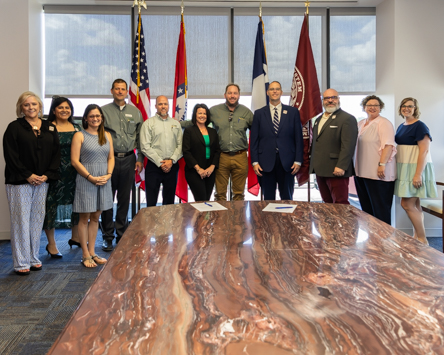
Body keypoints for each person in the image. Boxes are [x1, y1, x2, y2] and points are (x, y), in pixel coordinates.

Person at [3, 91, 60, 275]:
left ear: (40, 107)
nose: (31, 108)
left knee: (36, 221)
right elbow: (11, 156)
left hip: (42, 181)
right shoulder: (14, 127)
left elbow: (56, 154)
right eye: (26, 105)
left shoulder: (49, 127)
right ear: (21, 108)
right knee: (21, 222)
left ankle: (33, 258)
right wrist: (28, 175)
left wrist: (46, 175)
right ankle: (21, 262)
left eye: (34, 104)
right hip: (20, 182)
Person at [181, 84, 253, 201]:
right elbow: (199, 119)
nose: (232, 95)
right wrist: (178, 123)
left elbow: (257, 130)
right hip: (221, 158)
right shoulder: (214, 111)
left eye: (235, 93)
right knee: (220, 194)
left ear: (239, 95)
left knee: (239, 194)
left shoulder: (247, 113)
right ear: (225, 95)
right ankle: (221, 219)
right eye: (229, 93)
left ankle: (237, 219)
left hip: (240, 157)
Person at [100, 79, 144, 252]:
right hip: (108, 160)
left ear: (127, 92)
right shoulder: (103, 111)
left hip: (128, 160)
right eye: (117, 89)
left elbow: (140, 137)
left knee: (124, 199)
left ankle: (121, 234)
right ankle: (107, 237)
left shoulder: (135, 112)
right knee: (107, 199)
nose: (120, 91)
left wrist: (140, 158)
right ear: (111, 90)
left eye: (122, 89)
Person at [71, 104, 114, 267]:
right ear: (86, 118)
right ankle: (84, 254)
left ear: (101, 118)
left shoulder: (107, 135)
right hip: (86, 179)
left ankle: (93, 252)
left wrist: (109, 175)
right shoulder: (79, 136)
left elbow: (111, 158)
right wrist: (90, 177)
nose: (95, 119)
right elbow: (75, 161)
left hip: (104, 179)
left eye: (98, 116)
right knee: (84, 218)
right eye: (92, 116)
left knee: (96, 217)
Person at [250, 81, 303, 200]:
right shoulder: (259, 114)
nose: (275, 91)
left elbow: (298, 139)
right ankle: (269, 219)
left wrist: (298, 160)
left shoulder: (293, 112)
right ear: (267, 92)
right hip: (265, 163)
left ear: (281, 92)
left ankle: (286, 219)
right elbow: (254, 140)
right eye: (272, 89)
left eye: (277, 89)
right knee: (268, 199)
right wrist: (255, 162)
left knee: (287, 198)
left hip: (288, 163)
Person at [394, 97, 437, 245]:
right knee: (415, 204)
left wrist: (418, 174)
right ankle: (416, 237)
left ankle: (423, 239)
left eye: (410, 106)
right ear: (401, 108)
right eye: (404, 106)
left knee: (407, 204)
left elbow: (424, 151)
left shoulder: (420, 126)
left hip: (415, 168)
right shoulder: (402, 125)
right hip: (404, 167)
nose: (407, 108)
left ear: (415, 109)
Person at [43, 97, 81, 258]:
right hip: (54, 172)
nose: (64, 110)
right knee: (51, 205)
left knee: (77, 204)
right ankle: (51, 244)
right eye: (60, 108)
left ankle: (76, 237)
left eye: (67, 107)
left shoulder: (77, 127)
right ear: (53, 110)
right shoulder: (47, 128)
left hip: (75, 171)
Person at [309, 88, 358, 204]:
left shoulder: (347, 119)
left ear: (338, 99)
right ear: (323, 100)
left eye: (333, 97)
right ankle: (330, 223)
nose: (330, 100)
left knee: (340, 203)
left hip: (336, 169)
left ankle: (344, 223)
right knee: (327, 202)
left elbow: (348, 145)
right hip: (321, 169)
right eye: (327, 98)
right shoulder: (319, 119)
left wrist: (341, 166)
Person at [354, 95, 397, 225]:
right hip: (361, 173)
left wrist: (382, 164)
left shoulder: (384, 123)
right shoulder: (360, 123)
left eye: (376, 105)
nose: (372, 107)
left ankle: (384, 243)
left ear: (380, 107)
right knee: (367, 211)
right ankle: (372, 241)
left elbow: (389, 145)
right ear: (364, 107)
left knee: (381, 211)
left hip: (379, 174)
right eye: (369, 105)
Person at [140, 96, 182, 206]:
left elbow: (181, 145)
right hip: (154, 166)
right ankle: (151, 224)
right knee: (151, 201)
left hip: (172, 166)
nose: (163, 106)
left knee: (169, 202)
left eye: (165, 104)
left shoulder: (176, 124)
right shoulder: (148, 123)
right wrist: (160, 162)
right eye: (160, 104)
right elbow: (144, 146)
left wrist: (171, 161)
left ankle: (168, 224)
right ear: (155, 106)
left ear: (168, 106)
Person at [182, 104, 221, 201]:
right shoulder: (189, 131)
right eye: (200, 113)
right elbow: (186, 152)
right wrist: (198, 169)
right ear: (195, 115)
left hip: (209, 172)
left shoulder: (212, 131)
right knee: (201, 199)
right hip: (194, 171)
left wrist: (212, 167)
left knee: (207, 199)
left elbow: (217, 150)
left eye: (204, 113)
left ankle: (205, 217)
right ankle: (199, 217)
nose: (202, 115)